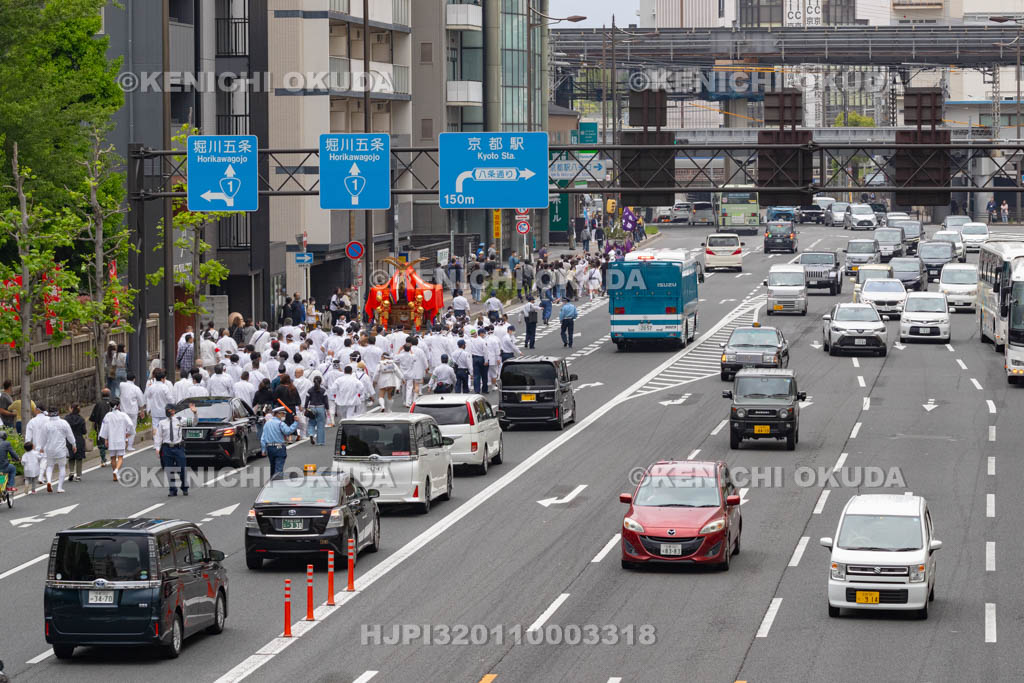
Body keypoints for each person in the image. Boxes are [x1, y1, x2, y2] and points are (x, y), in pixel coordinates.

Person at [157, 403, 198, 496]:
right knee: (169, 469)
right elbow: (158, 436)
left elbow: (194, 422)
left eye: (170, 410)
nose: (168, 411)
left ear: (173, 411)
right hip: (167, 448)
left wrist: (195, 413)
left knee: (182, 468)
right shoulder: (162, 423)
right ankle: (172, 489)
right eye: (166, 410)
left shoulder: (180, 420)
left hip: (178, 448)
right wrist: (157, 448)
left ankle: (184, 487)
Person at [41, 408, 76, 493]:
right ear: (58, 413)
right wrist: (74, 444)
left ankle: (49, 481)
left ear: (49, 414)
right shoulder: (64, 423)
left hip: (49, 449)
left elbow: (43, 438)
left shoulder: (46, 425)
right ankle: (59, 487)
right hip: (61, 449)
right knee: (62, 467)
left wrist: (41, 447)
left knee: (49, 466)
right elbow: (70, 435)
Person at [98, 398, 132, 482]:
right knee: (120, 457)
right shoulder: (123, 415)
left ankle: (114, 475)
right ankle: (117, 470)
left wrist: (106, 439)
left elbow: (104, 428)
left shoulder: (108, 415)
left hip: (111, 439)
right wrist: (128, 432)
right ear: (119, 405)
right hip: (120, 438)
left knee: (112, 457)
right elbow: (130, 424)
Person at [261, 406, 298, 478]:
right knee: (279, 468)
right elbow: (288, 431)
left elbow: (263, 438)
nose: (284, 416)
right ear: (278, 414)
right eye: (283, 414)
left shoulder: (267, 423)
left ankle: (272, 482)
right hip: (279, 447)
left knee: (273, 467)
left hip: (270, 447)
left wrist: (263, 449)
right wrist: (295, 422)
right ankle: (278, 483)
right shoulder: (280, 423)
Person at [118, 371, 146, 452]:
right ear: (134, 379)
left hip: (123, 410)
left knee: (123, 427)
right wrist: (142, 411)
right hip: (133, 411)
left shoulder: (122, 385)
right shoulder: (136, 388)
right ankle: (130, 446)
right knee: (132, 428)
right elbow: (141, 401)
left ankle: (123, 443)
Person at [89, 388, 113, 467]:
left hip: (101, 426)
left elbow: (93, 417)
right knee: (112, 441)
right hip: (112, 426)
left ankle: (103, 459)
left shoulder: (98, 404)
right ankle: (114, 458)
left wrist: (94, 427)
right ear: (109, 394)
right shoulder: (112, 403)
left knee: (101, 443)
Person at [304, 375, 329, 446]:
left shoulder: (309, 390)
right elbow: (326, 401)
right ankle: (320, 442)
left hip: (312, 407)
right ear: (321, 382)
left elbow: (307, 401)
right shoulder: (323, 391)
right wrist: (327, 409)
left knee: (311, 423)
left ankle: (311, 434)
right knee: (320, 425)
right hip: (321, 407)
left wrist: (306, 408)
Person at [65, 405, 88, 483]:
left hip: (69, 440)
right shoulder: (81, 419)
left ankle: (71, 471)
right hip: (79, 439)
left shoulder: (66, 418)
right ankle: (78, 476)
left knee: (71, 456)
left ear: (72, 409)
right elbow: (84, 431)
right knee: (79, 458)